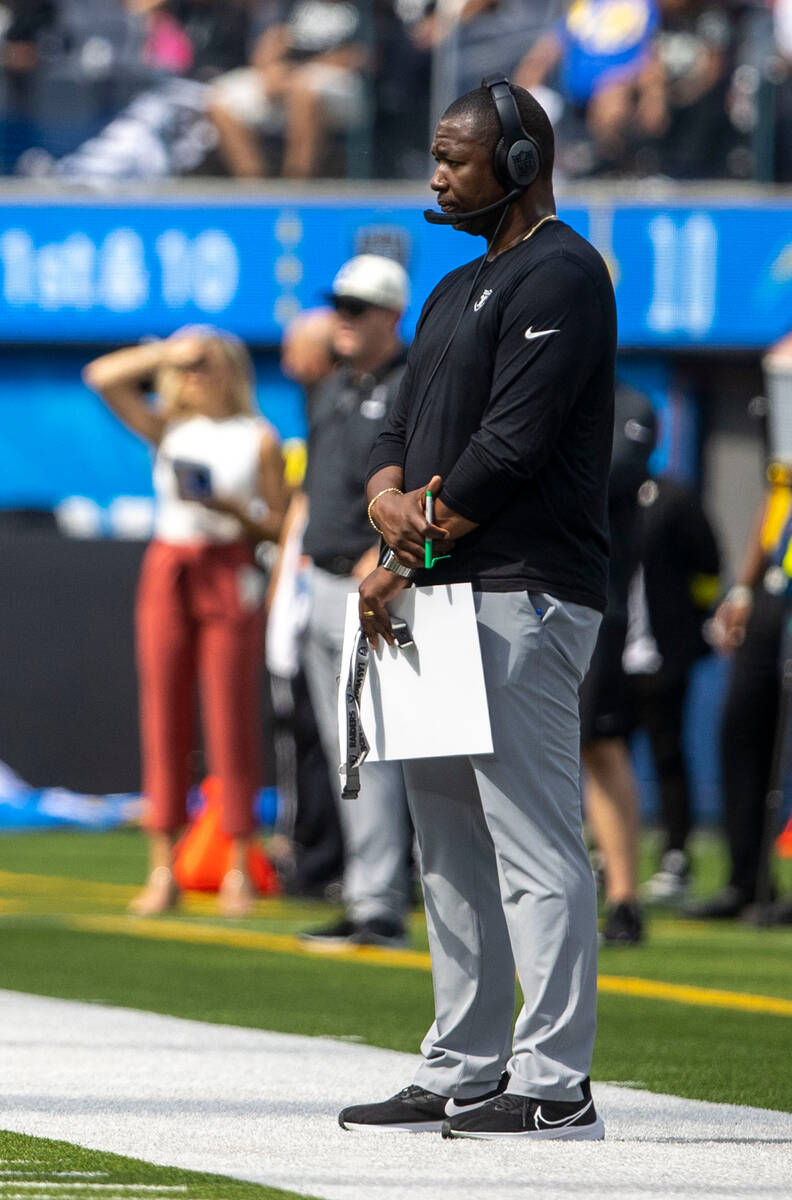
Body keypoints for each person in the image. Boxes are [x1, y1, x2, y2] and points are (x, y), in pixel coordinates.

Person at [340, 78, 615, 1139]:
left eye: (456, 156)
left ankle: (554, 1084)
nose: (437, 172)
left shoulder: (565, 272)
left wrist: (410, 538)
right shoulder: (453, 290)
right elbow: (393, 430)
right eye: (437, 152)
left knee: (534, 842)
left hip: (524, 591)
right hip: (440, 596)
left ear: (517, 161)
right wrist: (385, 504)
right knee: (446, 842)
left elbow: (513, 445)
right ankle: (465, 1063)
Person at [83, 327, 287, 916]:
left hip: (228, 566)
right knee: (163, 715)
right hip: (170, 565)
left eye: (206, 363)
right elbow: (102, 377)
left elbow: (277, 523)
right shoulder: (169, 426)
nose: (194, 374)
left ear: (231, 369)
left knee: (230, 715)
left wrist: (231, 508)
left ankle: (237, 867)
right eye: (188, 366)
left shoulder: (258, 438)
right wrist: (168, 350)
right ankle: (162, 868)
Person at [296, 254, 414, 948]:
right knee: (348, 749)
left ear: (391, 316)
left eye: (357, 307)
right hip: (323, 574)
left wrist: (391, 559)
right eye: (339, 304)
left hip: (375, 580)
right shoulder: (333, 386)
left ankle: (381, 900)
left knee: (376, 748)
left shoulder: (410, 385)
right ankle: (366, 889)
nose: (342, 317)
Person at [580, 384, 656, 947]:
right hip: (527, 592)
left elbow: (612, 476)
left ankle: (625, 897)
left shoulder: (627, 404)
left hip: (598, 602)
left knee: (600, 745)